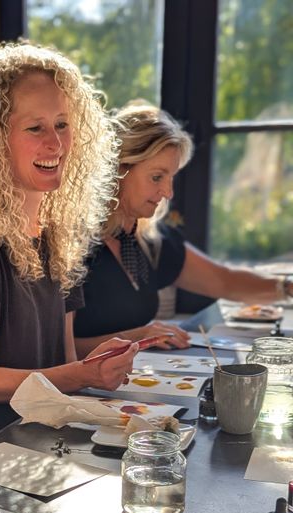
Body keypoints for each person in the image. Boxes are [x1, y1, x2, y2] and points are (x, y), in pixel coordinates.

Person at [0, 42, 138, 453]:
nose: (55, 144)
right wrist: (82, 374)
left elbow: (63, 363)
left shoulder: (57, 237)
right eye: (35, 128)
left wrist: (94, 365)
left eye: (62, 124)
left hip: (50, 444)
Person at [73, 101, 288, 357]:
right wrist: (136, 338)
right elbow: (57, 351)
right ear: (118, 170)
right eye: (157, 177)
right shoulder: (73, 245)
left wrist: (286, 287)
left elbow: (224, 281)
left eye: (171, 178)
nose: (168, 192)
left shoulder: (147, 240)